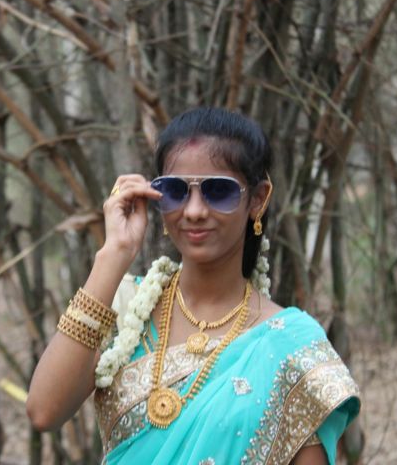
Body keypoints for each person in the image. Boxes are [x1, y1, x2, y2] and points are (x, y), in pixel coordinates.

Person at [26, 107, 360, 465]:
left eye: (219, 191)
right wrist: (115, 253)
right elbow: (44, 411)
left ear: (257, 199)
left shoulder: (292, 346)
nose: (194, 211)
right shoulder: (125, 304)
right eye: (175, 191)